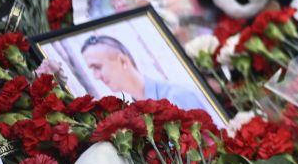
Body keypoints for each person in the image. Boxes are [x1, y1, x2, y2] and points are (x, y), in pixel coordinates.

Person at [80, 34, 209, 113]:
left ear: (123, 60)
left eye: (97, 67)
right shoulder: (134, 113)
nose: (96, 76)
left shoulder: (177, 95)